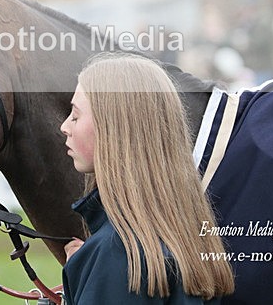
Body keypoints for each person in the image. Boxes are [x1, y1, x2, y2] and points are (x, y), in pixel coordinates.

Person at [60, 52, 234, 304]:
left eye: (75, 116)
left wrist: (90, 277)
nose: (65, 126)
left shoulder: (117, 254)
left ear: (115, 129)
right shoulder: (188, 236)